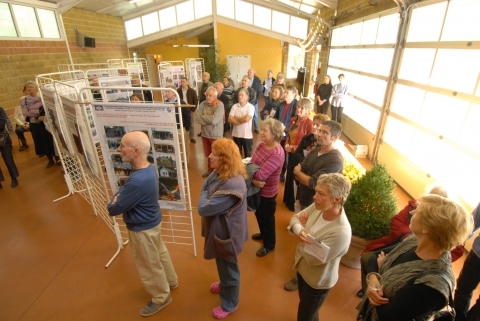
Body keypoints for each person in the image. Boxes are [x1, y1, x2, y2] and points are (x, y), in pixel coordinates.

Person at [357, 194, 473, 321]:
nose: (412, 212)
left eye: (418, 212)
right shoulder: (415, 240)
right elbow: (374, 257)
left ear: (427, 228)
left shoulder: (433, 286)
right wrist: (374, 278)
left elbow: (388, 316)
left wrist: (383, 275)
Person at [107, 131, 178, 317]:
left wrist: (116, 197)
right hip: (153, 222)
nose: (119, 149)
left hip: (142, 229)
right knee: (160, 253)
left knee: (149, 264)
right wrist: (121, 194)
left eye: (123, 146)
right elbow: (123, 194)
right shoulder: (148, 168)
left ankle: (161, 297)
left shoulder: (136, 181)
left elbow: (113, 208)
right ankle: (171, 281)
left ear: (136, 151)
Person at [288, 173, 352, 321]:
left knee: (305, 315)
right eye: (316, 191)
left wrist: (302, 232)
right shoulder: (320, 207)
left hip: (317, 282)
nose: (314, 197)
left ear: (337, 199)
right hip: (303, 271)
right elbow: (294, 218)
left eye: (321, 193)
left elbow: (312, 258)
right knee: (308, 311)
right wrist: (302, 231)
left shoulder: (341, 233)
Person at [197, 138, 248, 319]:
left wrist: (204, 195)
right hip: (222, 230)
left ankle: (230, 303)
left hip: (228, 235)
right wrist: (206, 194)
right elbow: (206, 187)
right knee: (223, 263)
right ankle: (225, 283)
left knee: (229, 268)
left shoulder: (232, 183)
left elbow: (203, 207)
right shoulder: (221, 172)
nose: (209, 156)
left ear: (225, 159)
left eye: (215, 154)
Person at [250, 118, 285, 257]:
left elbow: (261, 175)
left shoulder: (276, 153)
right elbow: (251, 165)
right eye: (262, 129)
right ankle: (263, 234)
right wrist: (253, 180)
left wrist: (252, 177)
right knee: (258, 214)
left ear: (275, 133)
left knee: (267, 218)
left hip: (267, 193)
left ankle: (269, 244)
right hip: (257, 190)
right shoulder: (261, 146)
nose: (261, 132)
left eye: (265, 130)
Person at [452, 202, 480, 321]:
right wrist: (456, 240)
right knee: (463, 288)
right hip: (477, 255)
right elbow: (473, 221)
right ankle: (458, 318)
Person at [21, 81, 57, 168]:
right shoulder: (24, 100)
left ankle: (57, 157)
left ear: (36, 88)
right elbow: (25, 112)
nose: (29, 88)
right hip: (34, 124)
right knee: (41, 141)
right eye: (28, 87)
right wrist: (38, 114)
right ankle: (50, 159)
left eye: (31, 87)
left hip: (44, 122)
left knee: (50, 140)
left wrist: (33, 112)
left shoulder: (42, 97)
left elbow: (46, 110)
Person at [195, 87, 225, 178]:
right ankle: (210, 171)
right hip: (205, 134)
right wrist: (208, 118)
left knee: (217, 155)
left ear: (215, 96)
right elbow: (197, 118)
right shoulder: (203, 104)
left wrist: (204, 117)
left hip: (216, 135)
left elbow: (214, 120)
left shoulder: (219, 105)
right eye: (207, 95)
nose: (208, 97)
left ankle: (219, 172)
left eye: (210, 95)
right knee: (209, 154)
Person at [274, 85, 298, 182]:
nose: (285, 94)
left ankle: (281, 174)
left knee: (284, 156)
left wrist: (286, 129)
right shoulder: (281, 104)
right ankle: (276, 172)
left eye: (287, 92)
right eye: (284, 92)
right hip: (279, 134)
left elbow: (296, 123)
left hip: (288, 135)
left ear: (293, 94)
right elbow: (275, 118)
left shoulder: (296, 106)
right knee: (277, 154)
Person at [164, 85, 191, 160]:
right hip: (171, 129)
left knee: (184, 146)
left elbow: (187, 116)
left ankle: (185, 161)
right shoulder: (165, 103)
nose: (166, 93)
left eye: (168, 91)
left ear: (174, 92)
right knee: (174, 146)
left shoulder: (181, 102)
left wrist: (186, 128)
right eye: (166, 91)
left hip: (181, 128)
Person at [228, 88, 254, 157]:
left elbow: (247, 119)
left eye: (242, 95)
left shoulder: (251, 107)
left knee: (247, 155)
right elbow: (230, 119)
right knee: (237, 155)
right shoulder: (234, 106)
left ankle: (247, 168)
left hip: (247, 136)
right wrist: (242, 120)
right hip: (236, 135)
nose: (240, 96)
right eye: (239, 95)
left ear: (247, 97)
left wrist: (235, 118)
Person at [0, 107, 19, 188]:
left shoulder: (0, 109)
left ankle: (14, 178)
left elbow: (1, 125)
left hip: (3, 139)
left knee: (8, 160)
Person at [177, 77, 199, 143]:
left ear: (187, 82)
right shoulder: (178, 91)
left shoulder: (192, 91)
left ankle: (191, 137)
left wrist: (193, 109)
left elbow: (196, 101)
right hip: (180, 109)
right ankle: (183, 136)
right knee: (181, 123)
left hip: (189, 109)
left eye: (183, 81)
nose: (182, 83)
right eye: (181, 81)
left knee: (191, 124)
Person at [247, 68, 263, 133]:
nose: (249, 73)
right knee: (247, 114)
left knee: (255, 115)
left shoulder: (257, 80)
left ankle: (256, 128)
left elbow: (260, 91)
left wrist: (257, 99)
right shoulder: (246, 79)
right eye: (248, 72)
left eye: (250, 72)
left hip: (255, 101)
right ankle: (248, 127)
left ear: (254, 73)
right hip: (247, 101)